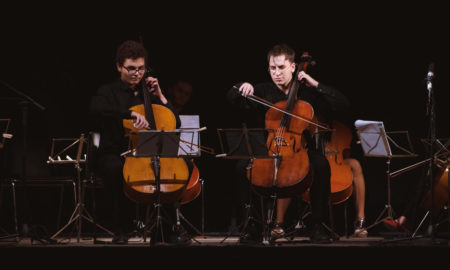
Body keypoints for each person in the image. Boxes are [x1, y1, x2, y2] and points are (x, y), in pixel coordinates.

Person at [227, 43, 355, 243]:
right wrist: (242, 86)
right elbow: (231, 98)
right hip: (268, 151)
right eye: (272, 68)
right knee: (241, 167)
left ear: (293, 67)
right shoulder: (261, 90)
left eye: (281, 68)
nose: (276, 73)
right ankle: (250, 225)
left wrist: (315, 84)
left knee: (321, 164)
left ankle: (317, 225)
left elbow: (344, 105)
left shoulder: (308, 93)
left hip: (300, 152)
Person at [89, 40, 182, 244]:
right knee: (115, 169)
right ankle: (120, 230)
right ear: (119, 66)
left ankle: (167, 230)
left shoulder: (149, 92)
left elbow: (175, 122)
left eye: (140, 69)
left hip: (146, 151)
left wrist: (160, 96)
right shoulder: (108, 91)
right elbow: (96, 108)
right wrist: (128, 113)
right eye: (131, 68)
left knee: (169, 168)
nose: (136, 73)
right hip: (114, 151)